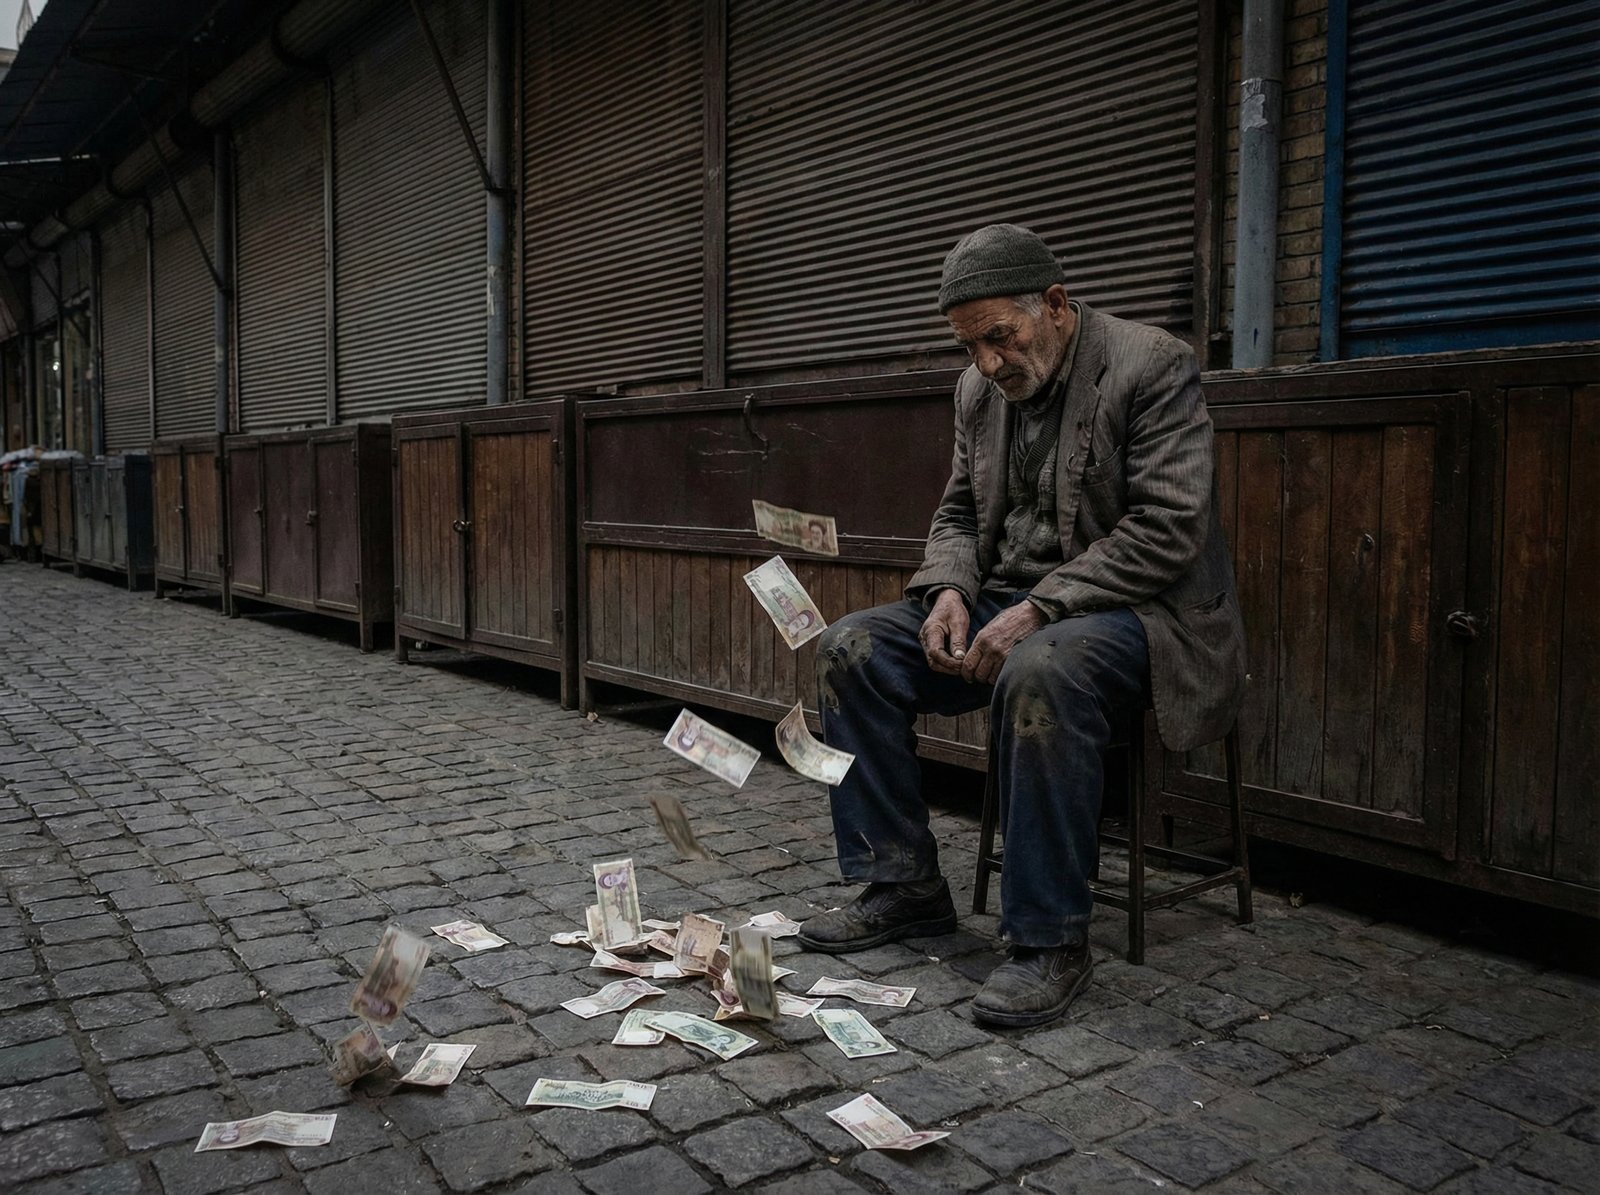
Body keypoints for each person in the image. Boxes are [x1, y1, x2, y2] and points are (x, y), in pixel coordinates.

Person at [797, 224, 1246, 1028]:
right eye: (971, 347)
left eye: (1001, 338)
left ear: (1056, 305)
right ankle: (903, 884)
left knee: (1042, 666)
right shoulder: (977, 392)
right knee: (850, 648)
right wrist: (946, 589)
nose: (988, 364)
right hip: (1009, 599)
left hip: (1142, 613)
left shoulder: (1151, 365)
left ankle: (1049, 941)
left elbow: (1169, 527)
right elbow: (961, 511)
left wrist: (1040, 606)